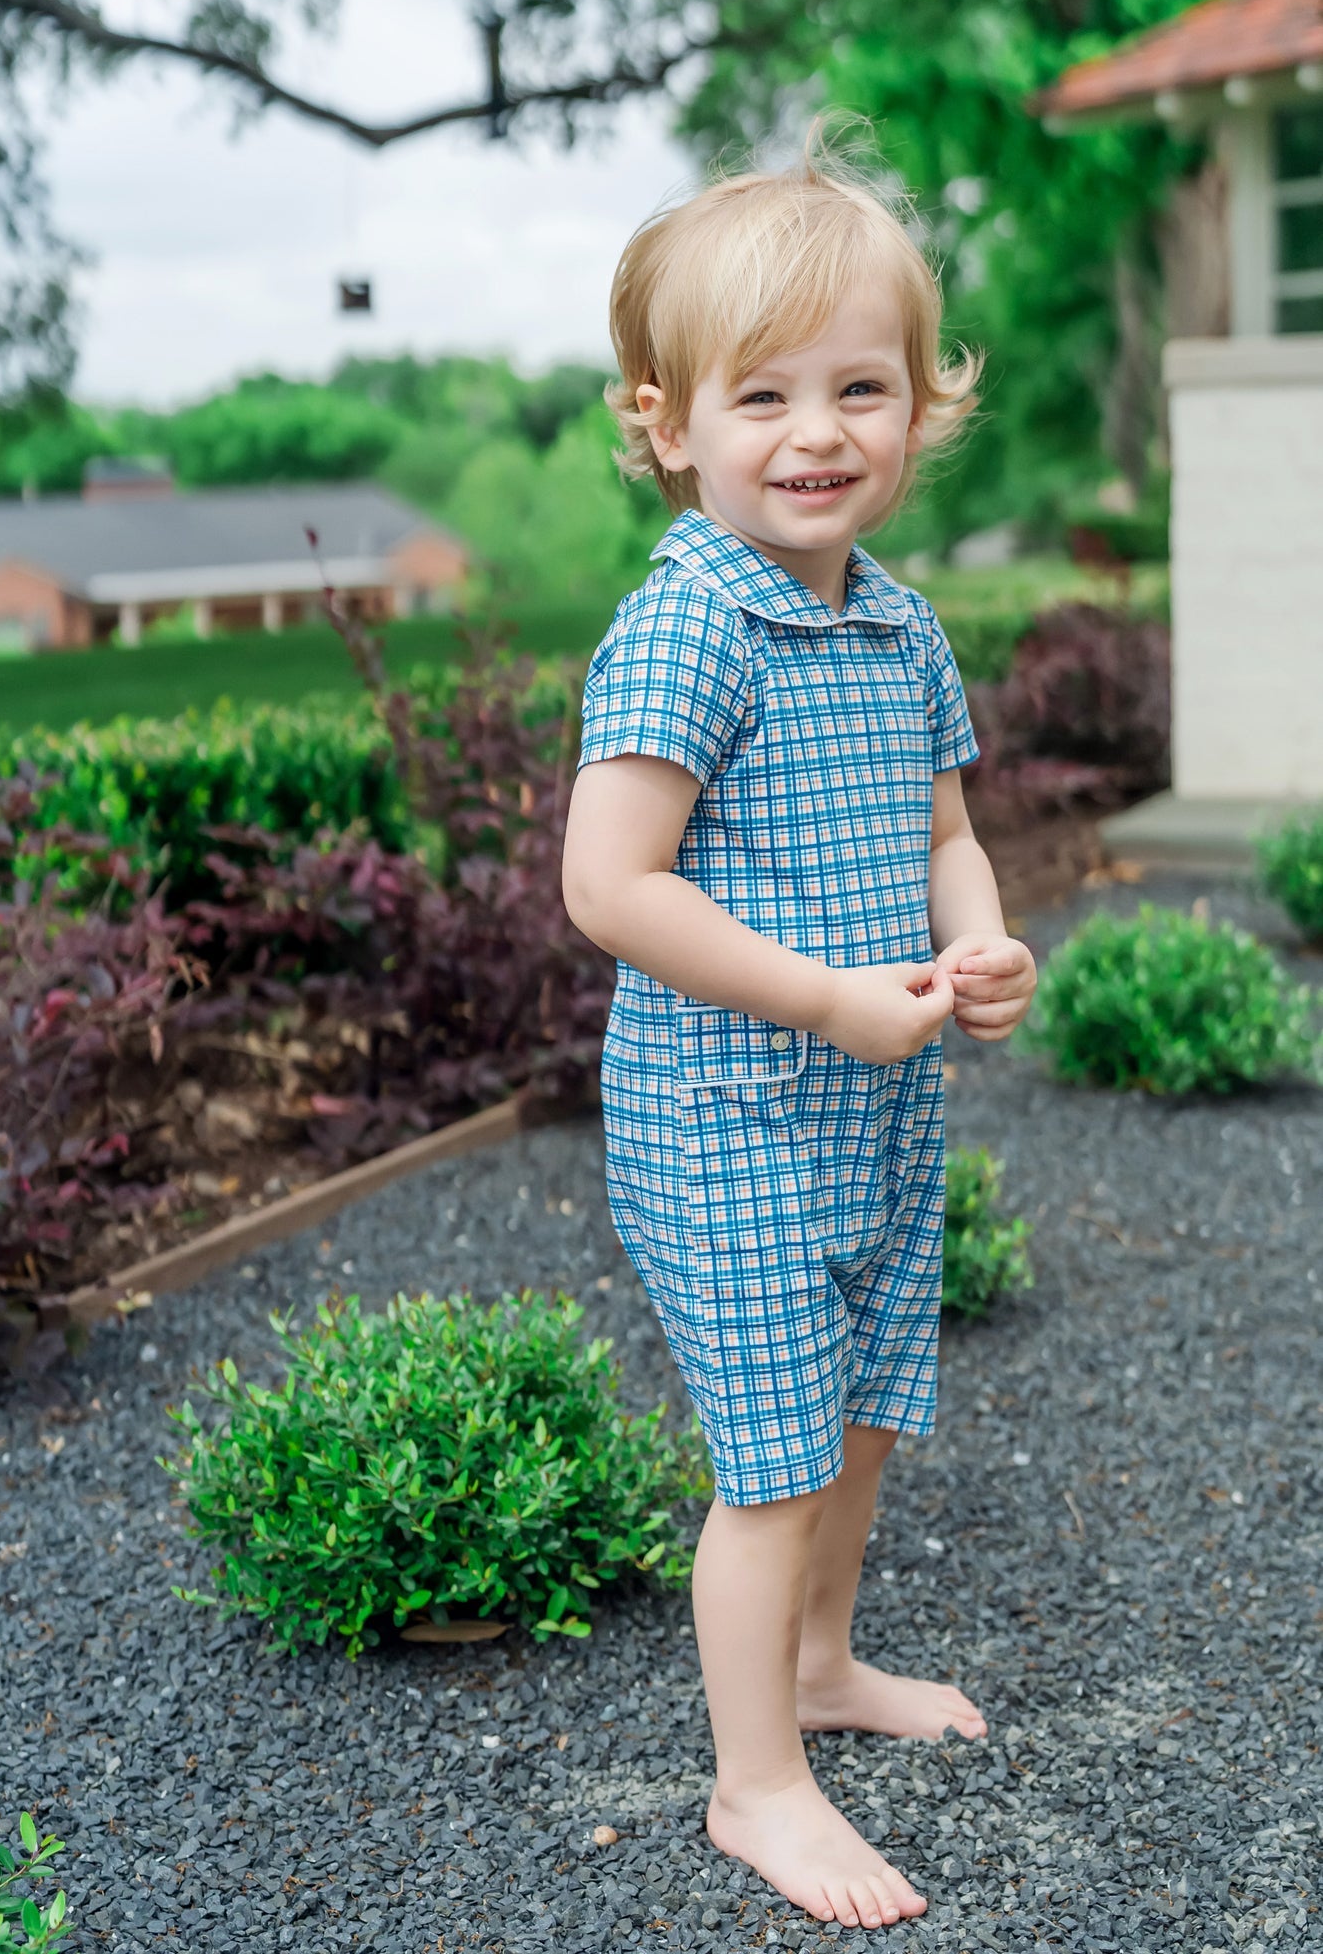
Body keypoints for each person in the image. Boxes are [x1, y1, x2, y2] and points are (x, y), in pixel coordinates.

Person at [560, 134, 1038, 1933]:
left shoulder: (899, 628)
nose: (815, 430)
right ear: (666, 421)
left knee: (855, 1428)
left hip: (872, 1109)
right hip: (725, 1121)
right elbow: (613, 886)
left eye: (860, 386)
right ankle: (753, 1782)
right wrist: (837, 999)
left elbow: (941, 838)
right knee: (768, 1462)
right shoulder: (691, 623)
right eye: (760, 394)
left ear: (921, 408)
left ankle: (822, 1669)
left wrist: (975, 944)